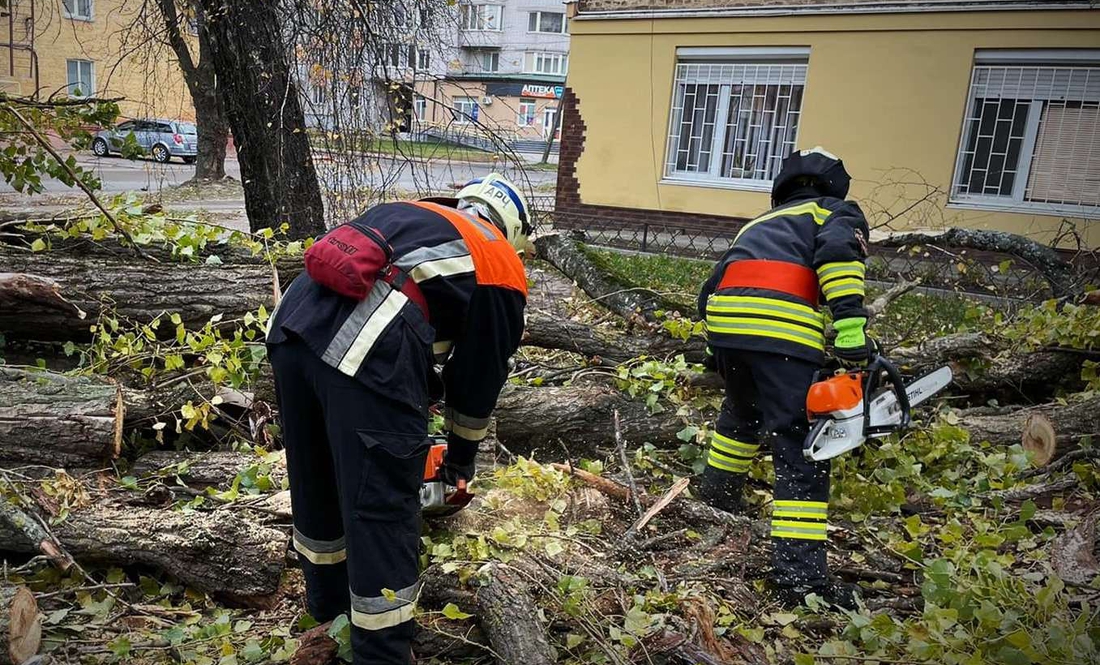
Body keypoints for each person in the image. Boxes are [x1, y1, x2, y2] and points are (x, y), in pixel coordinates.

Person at [265, 174, 531, 664]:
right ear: (514, 230)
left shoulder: (417, 213)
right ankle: (382, 653)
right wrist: (460, 462)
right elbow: (476, 383)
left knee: (317, 483)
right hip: (365, 347)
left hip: (290, 327)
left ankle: (327, 617)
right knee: (381, 510)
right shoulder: (499, 260)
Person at [695, 147, 874, 609]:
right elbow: (838, 255)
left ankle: (714, 500)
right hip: (781, 334)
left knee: (740, 415)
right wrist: (850, 327)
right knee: (800, 447)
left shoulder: (756, 224)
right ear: (833, 185)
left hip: (727, 325)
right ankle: (799, 581)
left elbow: (710, 287)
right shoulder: (835, 212)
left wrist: (718, 344)